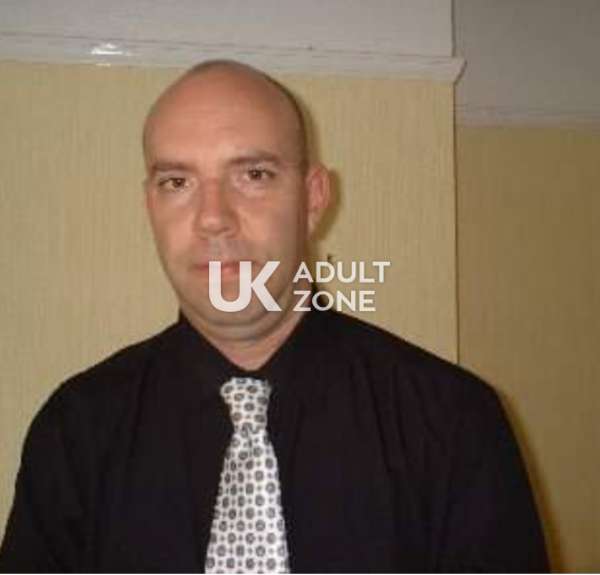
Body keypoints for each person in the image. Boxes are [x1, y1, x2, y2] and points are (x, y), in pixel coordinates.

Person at [0, 60, 548, 573]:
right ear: (150, 206)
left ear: (313, 198)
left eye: (254, 175)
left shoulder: (451, 422)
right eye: (177, 182)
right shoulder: (77, 432)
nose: (213, 218)